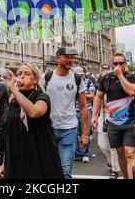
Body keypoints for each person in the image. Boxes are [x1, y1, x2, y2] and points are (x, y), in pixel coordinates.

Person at [0, 63, 64, 179]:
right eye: (19, 73)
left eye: (27, 74)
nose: (21, 76)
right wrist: (4, 164)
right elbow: (10, 135)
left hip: (38, 155)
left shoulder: (41, 97)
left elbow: (34, 112)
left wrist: (13, 89)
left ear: (35, 79)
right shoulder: (12, 98)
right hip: (17, 157)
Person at [40, 47, 88, 179]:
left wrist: (84, 134)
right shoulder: (46, 78)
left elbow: (83, 107)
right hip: (48, 129)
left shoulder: (77, 79)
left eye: (72, 57)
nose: (70, 60)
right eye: (67, 56)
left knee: (65, 171)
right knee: (48, 169)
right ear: (58, 58)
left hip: (69, 129)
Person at [91, 53, 135, 179]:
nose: (118, 66)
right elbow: (98, 97)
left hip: (130, 122)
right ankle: (126, 176)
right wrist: (94, 116)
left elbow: (131, 91)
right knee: (120, 153)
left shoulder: (131, 77)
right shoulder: (106, 79)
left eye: (121, 63)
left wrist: (120, 75)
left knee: (130, 154)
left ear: (125, 64)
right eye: (115, 63)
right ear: (112, 64)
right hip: (113, 123)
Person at [73, 66, 95, 163]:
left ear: (83, 75)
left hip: (86, 110)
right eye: (77, 76)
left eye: (80, 75)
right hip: (73, 111)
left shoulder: (89, 82)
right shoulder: (71, 82)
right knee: (75, 133)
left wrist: (81, 95)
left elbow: (92, 95)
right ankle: (77, 153)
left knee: (85, 132)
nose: (79, 77)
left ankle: (85, 153)